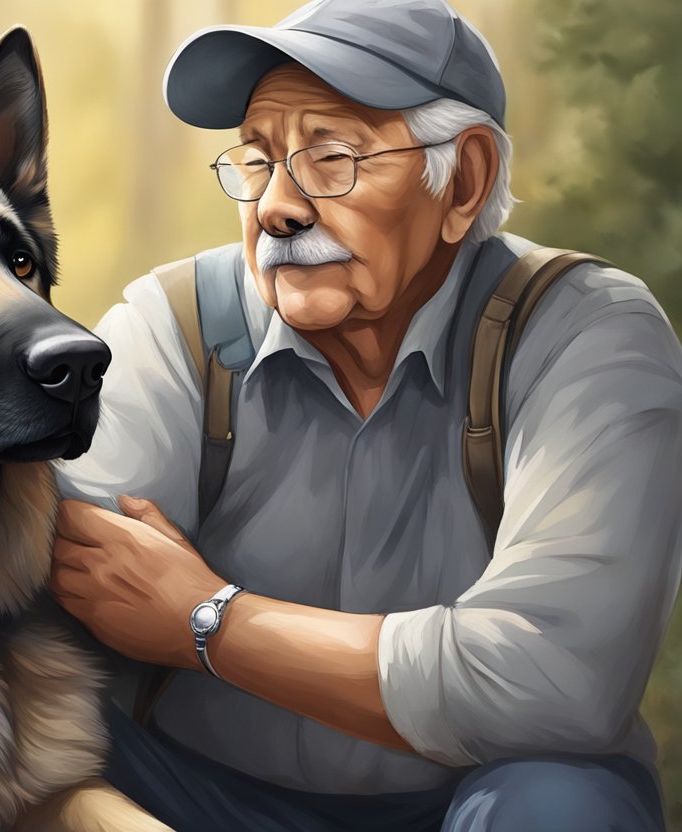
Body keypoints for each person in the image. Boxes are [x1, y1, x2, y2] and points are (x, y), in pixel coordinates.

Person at [50, 1, 682, 829]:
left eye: (334, 156)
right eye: (257, 160)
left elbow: (558, 678)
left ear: (465, 180)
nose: (277, 206)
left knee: (560, 803)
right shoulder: (176, 327)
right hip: (196, 791)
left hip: (472, 799)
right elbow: (66, 586)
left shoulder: (584, 330)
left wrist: (208, 621)